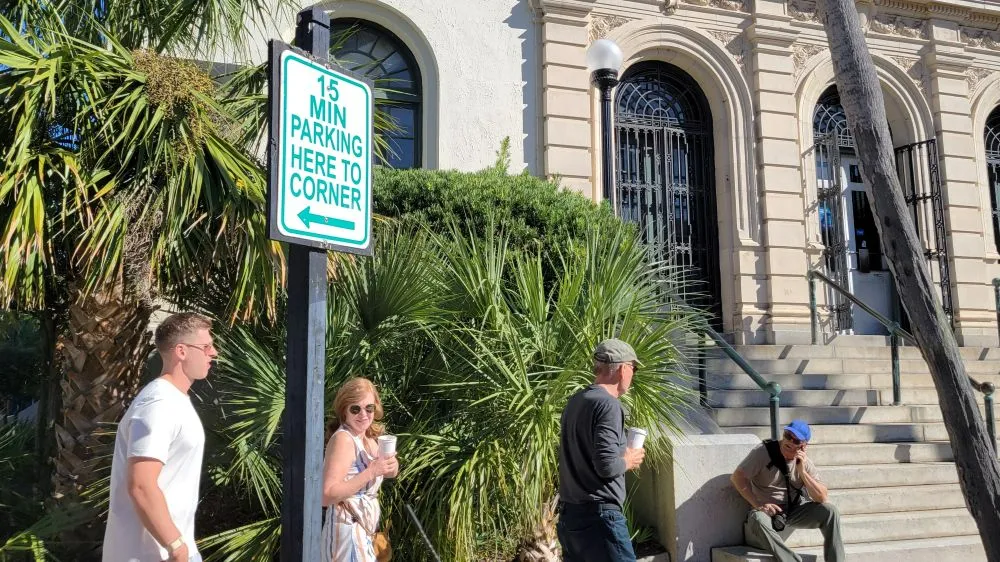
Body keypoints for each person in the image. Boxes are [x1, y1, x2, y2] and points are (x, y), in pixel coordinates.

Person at [103, 312, 217, 562]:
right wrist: (176, 546)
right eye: (206, 346)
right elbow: (141, 485)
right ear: (181, 351)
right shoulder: (159, 403)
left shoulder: (174, 400)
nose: (213, 353)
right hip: (152, 555)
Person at [557, 338, 646, 562]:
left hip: (571, 516)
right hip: (599, 518)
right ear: (624, 369)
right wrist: (628, 459)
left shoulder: (576, 400)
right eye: (633, 369)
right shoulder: (609, 405)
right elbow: (606, 465)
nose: (632, 375)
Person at [730, 419, 845, 562]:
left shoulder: (805, 463)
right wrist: (758, 504)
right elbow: (737, 477)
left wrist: (802, 472)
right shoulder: (763, 452)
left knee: (830, 511)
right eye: (787, 435)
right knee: (757, 518)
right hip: (767, 512)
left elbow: (822, 498)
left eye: (795, 440)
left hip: (793, 512)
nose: (789, 441)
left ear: (803, 446)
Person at [321, 377, 399, 562]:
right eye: (355, 409)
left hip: (363, 532)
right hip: (347, 532)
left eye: (369, 408)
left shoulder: (370, 437)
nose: (363, 414)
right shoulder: (344, 440)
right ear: (344, 411)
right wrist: (371, 472)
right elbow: (326, 495)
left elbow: (386, 473)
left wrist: (391, 467)